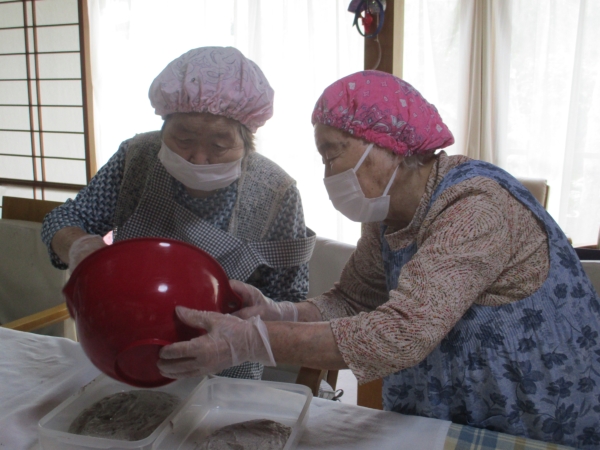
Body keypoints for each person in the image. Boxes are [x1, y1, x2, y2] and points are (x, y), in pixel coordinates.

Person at [156, 70, 600, 448]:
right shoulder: (386, 214)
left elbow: (402, 333)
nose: (328, 173)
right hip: (451, 407)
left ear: (388, 143)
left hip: (533, 408)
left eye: (332, 153)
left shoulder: (475, 207)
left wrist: (250, 342)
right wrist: (280, 313)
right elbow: (353, 300)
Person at [41, 46, 315, 380]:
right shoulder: (137, 159)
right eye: (183, 139)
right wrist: (79, 246)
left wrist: (247, 328)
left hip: (225, 367)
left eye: (219, 145)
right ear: (163, 127)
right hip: (126, 350)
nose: (198, 158)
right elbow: (63, 220)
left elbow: (290, 301)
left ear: (247, 141)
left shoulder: (276, 192)